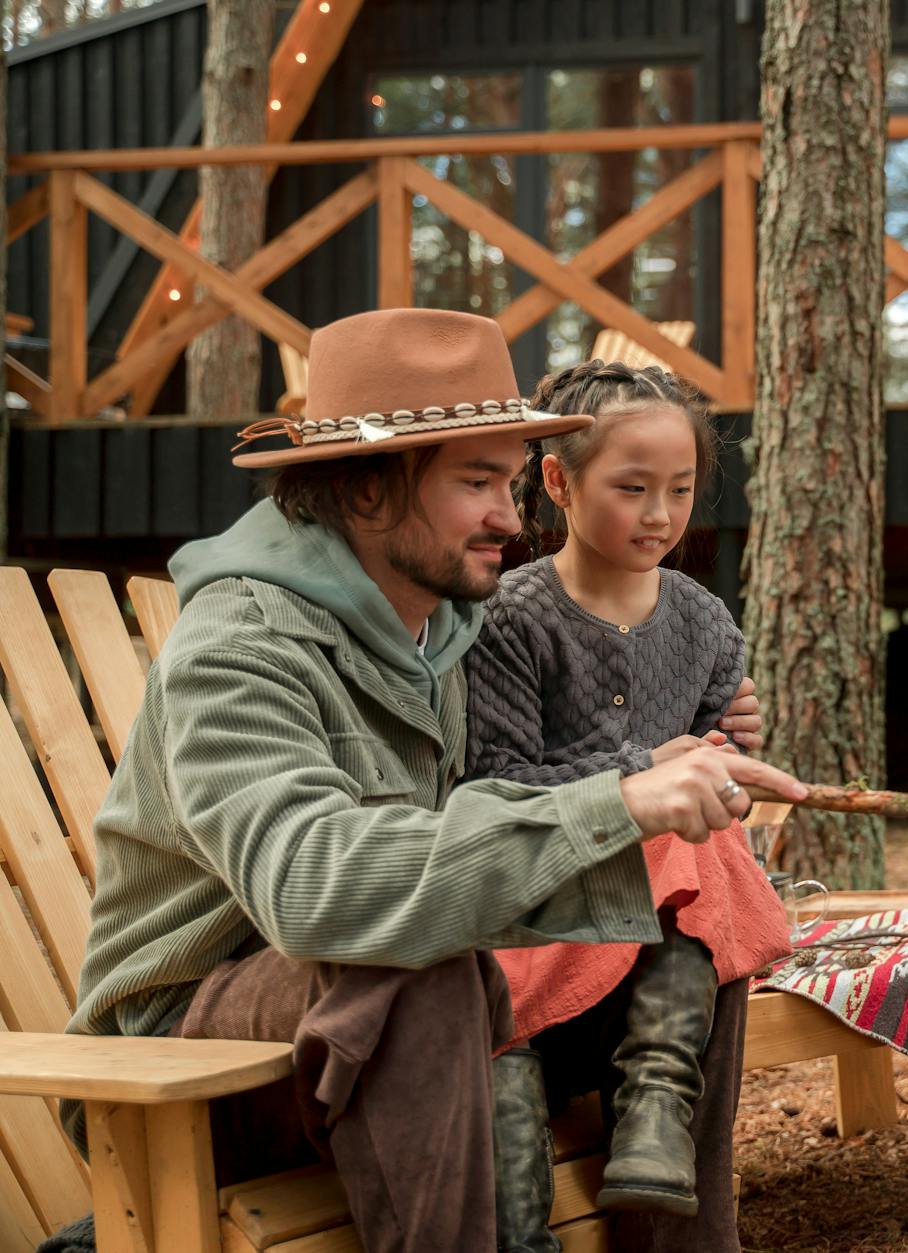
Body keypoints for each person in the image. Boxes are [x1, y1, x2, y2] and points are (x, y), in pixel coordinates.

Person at [57, 308, 806, 1253]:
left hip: (410, 1023)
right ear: (369, 488)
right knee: (412, 961)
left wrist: (671, 785)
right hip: (189, 1063)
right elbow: (315, 886)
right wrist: (615, 799)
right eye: (477, 481)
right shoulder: (242, 645)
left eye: (507, 479)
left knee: (698, 895)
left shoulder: (443, 633)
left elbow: (492, 821)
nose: (509, 512)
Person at [466, 360, 789, 1252]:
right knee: (677, 830)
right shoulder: (511, 620)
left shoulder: (703, 622)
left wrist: (730, 762)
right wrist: (646, 770)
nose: (659, 514)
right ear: (559, 481)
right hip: (541, 911)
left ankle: (655, 1098)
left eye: (680, 490)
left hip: (657, 936)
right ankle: (545, 1190)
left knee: (700, 849)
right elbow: (489, 787)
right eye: (632, 488)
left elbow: (721, 804)